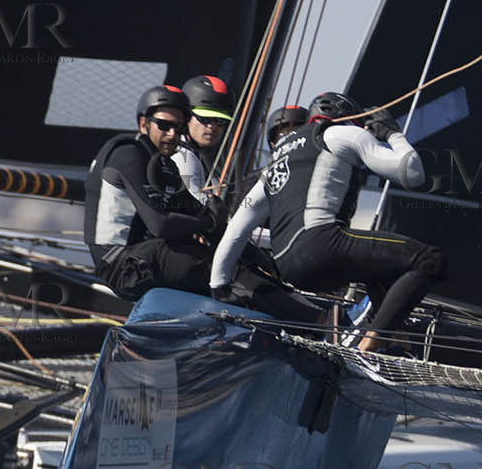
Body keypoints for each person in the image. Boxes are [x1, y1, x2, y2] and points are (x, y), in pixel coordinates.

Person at [210, 91, 442, 353]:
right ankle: (370, 342)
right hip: (321, 245)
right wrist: (392, 134)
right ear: (348, 117)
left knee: (380, 266)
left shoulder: (275, 162)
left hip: (289, 266)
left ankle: (394, 341)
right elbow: (413, 173)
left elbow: (238, 227)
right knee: (428, 259)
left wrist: (218, 285)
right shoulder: (342, 133)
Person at [83, 83, 329, 323]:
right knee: (225, 271)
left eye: (178, 128)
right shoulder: (128, 153)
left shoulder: (163, 164)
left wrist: (257, 256)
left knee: (231, 260)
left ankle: (297, 317)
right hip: (121, 265)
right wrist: (209, 219)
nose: (172, 134)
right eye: (164, 125)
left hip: (145, 257)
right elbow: (160, 225)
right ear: (143, 123)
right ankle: (320, 322)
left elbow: (206, 221)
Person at [172, 74, 234, 202]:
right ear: (185, 117)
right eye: (204, 119)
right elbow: (198, 207)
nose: (212, 126)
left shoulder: (209, 159)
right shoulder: (182, 157)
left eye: (220, 120)